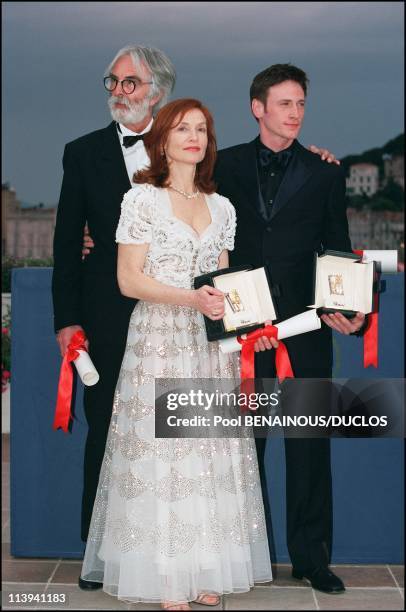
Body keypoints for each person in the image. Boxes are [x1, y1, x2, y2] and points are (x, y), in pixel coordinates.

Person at [80, 97, 275, 609]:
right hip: (160, 341)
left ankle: (205, 569)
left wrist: (251, 323)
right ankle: (166, 578)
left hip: (211, 348)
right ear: (162, 139)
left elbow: (225, 282)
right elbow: (127, 280)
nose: (194, 137)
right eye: (183, 128)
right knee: (163, 454)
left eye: (203, 130)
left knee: (209, 453)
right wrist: (191, 298)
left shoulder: (222, 207)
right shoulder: (141, 199)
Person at [214, 63, 366, 595]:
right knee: (242, 449)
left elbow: (337, 246)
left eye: (301, 103)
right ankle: (240, 557)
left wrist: (352, 309)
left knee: (308, 446)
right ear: (258, 108)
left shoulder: (326, 172)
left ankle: (310, 559)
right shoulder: (221, 165)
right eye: (284, 103)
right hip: (242, 332)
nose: (295, 113)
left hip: (305, 332)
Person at [51, 45, 176, 580]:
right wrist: (66, 320)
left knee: (168, 430)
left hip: (175, 315)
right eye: (113, 82)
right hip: (103, 315)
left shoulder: (188, 145)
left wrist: (318, 157)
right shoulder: (80, 153)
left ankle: (168, 551)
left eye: (130, 82)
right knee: (105, 428)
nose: (119, 92)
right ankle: (98, 555)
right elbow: (63, 245)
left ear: (158, 91)